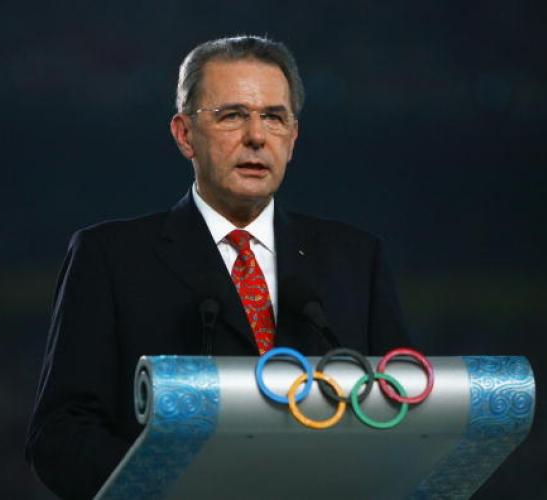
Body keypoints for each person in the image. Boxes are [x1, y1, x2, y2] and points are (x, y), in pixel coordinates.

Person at [26, 35, 409, 499]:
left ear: (293, 139)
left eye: (273, 116)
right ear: (185, 134)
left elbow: (402, 408)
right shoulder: (109, 256)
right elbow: (62, 435)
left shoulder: (356, 258)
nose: (255, 136)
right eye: (232, 115)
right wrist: (177, 488)